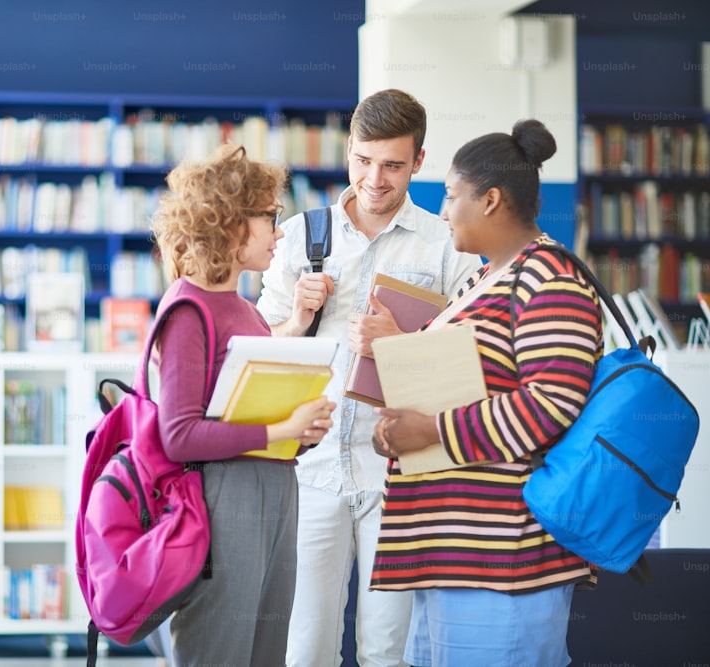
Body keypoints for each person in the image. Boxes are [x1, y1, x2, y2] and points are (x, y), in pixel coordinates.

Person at [257, 88, 483, 667]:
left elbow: (472, 374)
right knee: (304, 651)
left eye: (392, 165)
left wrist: (400, 347)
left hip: (401, 478)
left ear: (419, 162)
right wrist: (297, 319)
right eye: (362, 160)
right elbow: (258, 355)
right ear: (348, 151)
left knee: (387, 651)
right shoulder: (301, 237)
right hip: (310, 473)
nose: (374, 179)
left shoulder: (449, 246)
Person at [368, 119, 603, 666]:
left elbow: (551, 402)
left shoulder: (549, 278)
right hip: (452, 550)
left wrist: (429, 430)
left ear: (491, 199)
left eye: (451, 197)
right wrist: (394, 428)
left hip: (504, 557)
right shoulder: (480, 281)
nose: (444, 212)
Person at [147, 143, 337, 667]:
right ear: (229, 222)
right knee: (219, 652)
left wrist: (301, 431)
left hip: (274, 489)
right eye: (270, 216)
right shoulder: (189, 306)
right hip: (224, 500)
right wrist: (280, 428)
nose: (280, 231)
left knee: (264, 655)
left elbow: (243, 412)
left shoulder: (244, 308)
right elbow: (179, 435)